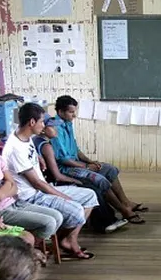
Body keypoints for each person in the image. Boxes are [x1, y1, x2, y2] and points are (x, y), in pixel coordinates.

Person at [3, 102, 99, 260]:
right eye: (42, 121)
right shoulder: (15, 148)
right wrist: (63, 197)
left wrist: (38, 157)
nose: (44, 125)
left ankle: (68, 240)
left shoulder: (23, 136)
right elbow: (37, 183)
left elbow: (29, 153)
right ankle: (66, 241)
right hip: (31, 196)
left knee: (90, 196)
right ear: (32, 122)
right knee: (76, 209)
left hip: (42, 188)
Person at [45, 95, 146, 223]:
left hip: (77, 164)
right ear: (60, 112)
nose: (74, 115)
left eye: (74, 111)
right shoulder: (55, 129)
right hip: (67, 169)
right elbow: (62, 159)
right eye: (71, 112)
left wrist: (89, 161)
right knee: (100, 180)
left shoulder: (68, 124)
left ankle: (126, 203)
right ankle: (123, 210)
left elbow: (75, 149)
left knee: (110, 169)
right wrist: (86, 167)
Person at [0, 119, 64, 254]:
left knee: (57, 216)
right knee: (49, 222)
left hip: (14, 202)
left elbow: (13, 188)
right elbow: (1, 193)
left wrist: (2, 192)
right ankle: (26, 251)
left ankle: (28, 247)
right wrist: (5, 189)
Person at [35, 116, 134, 234]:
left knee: (97, 181)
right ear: (43, 129)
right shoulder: (47, 146)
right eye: (52, 127)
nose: (56, 129)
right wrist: (76, 181)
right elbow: (57, 175)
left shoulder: (41, 141)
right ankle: (105, 223)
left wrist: (87, 163)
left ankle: (112, 215)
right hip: (56, 180)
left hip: (54, 178)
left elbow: (75, 150)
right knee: (93, 186)